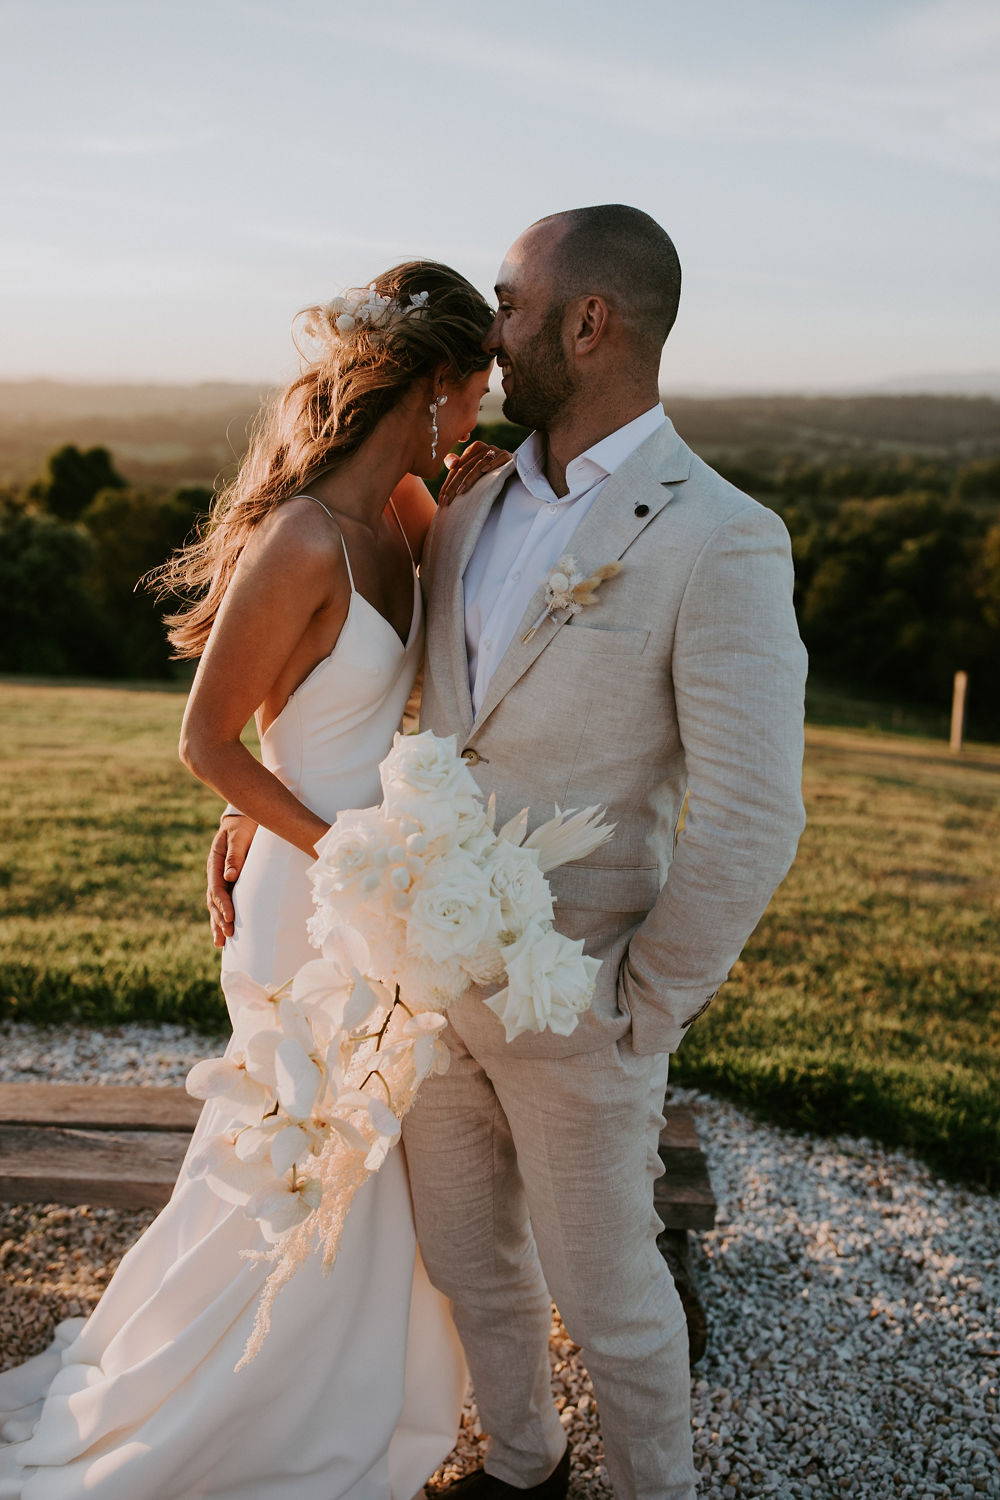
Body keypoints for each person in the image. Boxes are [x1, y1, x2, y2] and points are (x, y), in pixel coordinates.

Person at [212, 205, 808, 1500]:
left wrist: (635, 1008)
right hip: (422, 977)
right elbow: (377, 698)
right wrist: (245, 807)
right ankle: (522, 1470)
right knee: (468, 1260)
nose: (490, 332)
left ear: (590, 323)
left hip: (575, 993)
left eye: (512, 303)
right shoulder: (468, 510)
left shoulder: (719, 536)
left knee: (612, 1301)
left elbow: (757, 816)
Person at [0, 260, 509, 1499]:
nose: (486, 413)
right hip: (309, 898)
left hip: (380, 891)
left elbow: (440, 670)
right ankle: (243, 1414)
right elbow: (206, 741)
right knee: (294, 1148)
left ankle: (352, 1397)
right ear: (432, 381)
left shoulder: (406, 510)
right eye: (479, 390)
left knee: (373, 1150)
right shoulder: (300, 538)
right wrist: (324, 846)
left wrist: (480, 497)